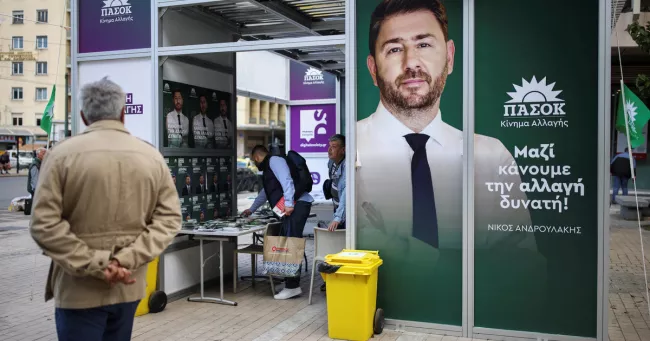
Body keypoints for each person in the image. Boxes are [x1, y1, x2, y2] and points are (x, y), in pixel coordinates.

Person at [356, 0, 533, 253]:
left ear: (449, 58)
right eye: (394, 49)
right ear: (373, 69)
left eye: (424, 45)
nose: (411, 63)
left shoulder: (492, 157)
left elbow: (523, 264)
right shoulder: (352, 147)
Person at [29, 77, 181, 341]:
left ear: (83, 116)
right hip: (129, 287)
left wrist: (99, 265)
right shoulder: (151, 157)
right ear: (122, 113)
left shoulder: (62, 155)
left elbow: (44, 225)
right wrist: (124, 261)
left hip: (78, 290)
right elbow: (169, 220)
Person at [242, 145, 313, 300]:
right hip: (294, 206)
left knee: (292, 242)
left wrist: (289, 204)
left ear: (256, 158)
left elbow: (287, 181)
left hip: (297, 205)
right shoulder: (269, 168)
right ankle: (289, 282)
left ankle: (293, 287)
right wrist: (252, 209)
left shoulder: (274, 161)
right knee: (287, 241)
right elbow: (265, 192)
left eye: (255, 162)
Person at [326, 134, 346, 231]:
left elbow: (346, 195)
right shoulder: (331, 162)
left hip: (345, 212)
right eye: (329, 146)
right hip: (336, 206)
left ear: (343, 150)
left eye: (334, 147)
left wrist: (338, 217)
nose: (329, 149)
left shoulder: (347, 166)